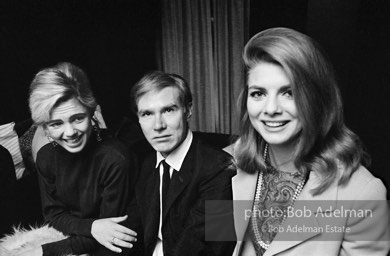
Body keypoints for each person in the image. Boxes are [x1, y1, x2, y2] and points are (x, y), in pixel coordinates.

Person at [227, 27, 390, 255]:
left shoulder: (362, 195)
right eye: (258, 93)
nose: (271, 109)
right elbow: (218, 246)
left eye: (289, 92)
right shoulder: (226, 166)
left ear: (316, 98)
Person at [24, 62, 137, 255]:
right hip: (73, 239)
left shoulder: (116, 159)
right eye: (56, 123)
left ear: (92, 112)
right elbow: (53, 215)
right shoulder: (46, 157)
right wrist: (92, 227)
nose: (70, 133)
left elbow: (113, 235)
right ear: (44, 127)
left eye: (78, 118)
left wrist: (43, 251)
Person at [123, 71, 236, 256]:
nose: (158, 125)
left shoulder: (221, 169)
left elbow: (214, 249)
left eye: (168, 110)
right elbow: (130, 233)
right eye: (147, 114)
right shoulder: (142, 161)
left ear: (188, 110)